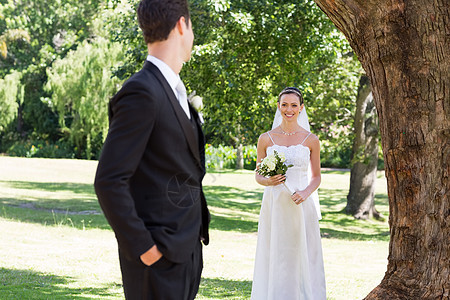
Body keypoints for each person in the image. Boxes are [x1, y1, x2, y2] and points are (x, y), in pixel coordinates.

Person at [94, 0, 210, 299]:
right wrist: (144, 249)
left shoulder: (174, 89)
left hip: (186, 252)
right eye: (192, 27)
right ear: (182, 25)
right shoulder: (141, 91)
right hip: (157, 261)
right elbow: (109, 180)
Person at [251, 87, 326, 300]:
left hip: (301, 204)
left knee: (302, 252)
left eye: (294, 105)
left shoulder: (311, 140)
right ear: (278, 107)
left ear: (301, 108)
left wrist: (305, 192)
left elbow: (317, 177)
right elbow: (257, 175)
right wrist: (268, 180)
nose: (289, 109)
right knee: (276, 251)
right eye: (284, 105)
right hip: (275, 204)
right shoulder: (266, 139)